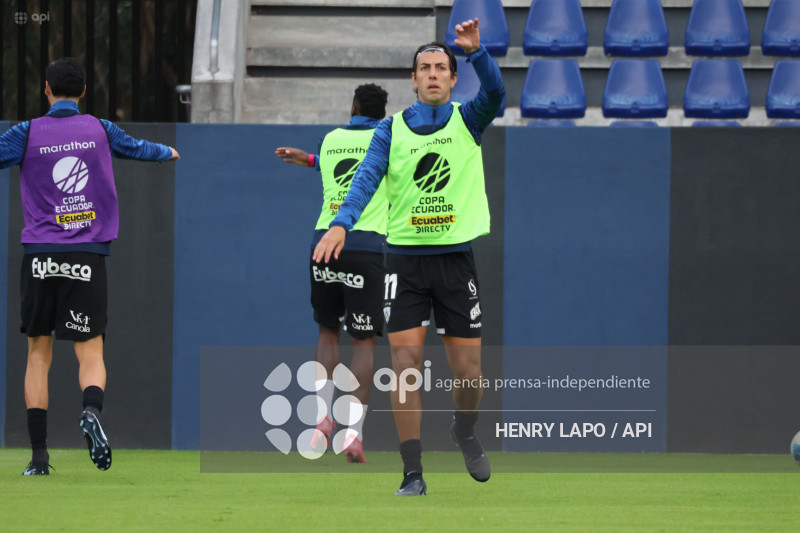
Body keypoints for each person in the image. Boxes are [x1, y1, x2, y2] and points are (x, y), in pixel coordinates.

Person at [313, 19, 504, 495]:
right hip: (403, 261)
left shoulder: (468, 119)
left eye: (443, 67)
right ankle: (412, 473)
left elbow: (497, 95)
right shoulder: (390, 130)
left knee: (469, 372)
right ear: (413, 80)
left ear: (454, 79)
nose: (435, 74)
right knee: (405, 364)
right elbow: (364, 179)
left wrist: (478, 53)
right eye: (426, 68)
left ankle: (463, 429)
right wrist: (342, 222)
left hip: (455, 261)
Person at [0, 57, 180, 475]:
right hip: (87, 255)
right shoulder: (100, 128)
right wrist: (167, 152)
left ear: (46, 89)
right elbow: (138, 148)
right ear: (83, 92)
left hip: (40, 256)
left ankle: (39, 458)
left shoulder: (26, 133)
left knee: (38, 356)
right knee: (91, 350)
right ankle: (91, 411)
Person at [275, 83, 389, 463]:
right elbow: (371, 170)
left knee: (327, 330)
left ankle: (323, 418)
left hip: (323, 245)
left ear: (353, 107)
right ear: (383, 111)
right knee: (364, 343)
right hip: (367, 246)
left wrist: (304, 158)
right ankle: (353, 435)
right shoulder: (389, 139)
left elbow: (331, 163)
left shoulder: (331, 139)